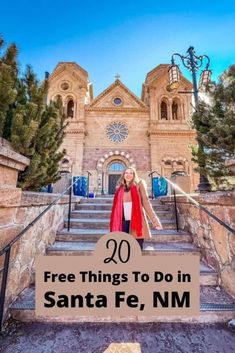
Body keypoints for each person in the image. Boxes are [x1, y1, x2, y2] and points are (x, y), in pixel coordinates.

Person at [109, 167, 163, 250]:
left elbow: (146, 203)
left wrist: (155, 221)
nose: (128, 175)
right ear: (123, 175)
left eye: (131, 173)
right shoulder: (120, 188)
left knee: (137, 246)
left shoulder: (139, 184)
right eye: (126, 173)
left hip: (136, 219)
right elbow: (116, 206)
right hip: (122, 219)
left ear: (134, 175)